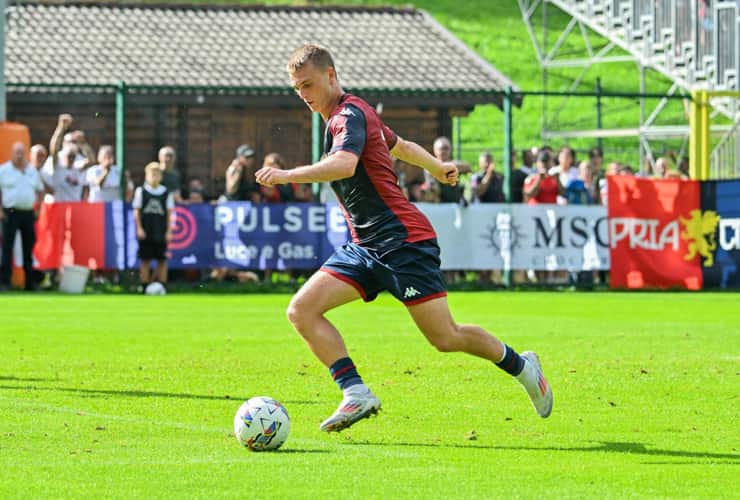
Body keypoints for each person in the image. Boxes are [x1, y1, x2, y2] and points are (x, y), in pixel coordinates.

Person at [255, 44, 553, 433]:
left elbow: (344, 166)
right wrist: (437, 165)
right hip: (365, 246)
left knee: (446, 337)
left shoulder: (349, 115)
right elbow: (400, 146)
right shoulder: (354, 115)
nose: (302, 94)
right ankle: (355, 392)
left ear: (330, 75)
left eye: (307, 84)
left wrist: (286, 175)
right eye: (296, 88)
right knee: (301, 310)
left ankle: (523, 366)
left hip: (402, 242)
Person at [0, 142, 44, 291]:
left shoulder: (32, 171)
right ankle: (5, 282)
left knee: (28, 247)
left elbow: (40, 190)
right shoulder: (4, 170)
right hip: (9, 212)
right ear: (12, 153)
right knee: (7, 247)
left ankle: (29, 283)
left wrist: (38, 208)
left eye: (21, 152)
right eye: (16, 152)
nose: (19, 155)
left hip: (27, 213)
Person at [132, 162, 173, 290]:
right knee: (145, 259)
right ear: (146, 176)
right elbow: (136, 211)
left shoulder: (166, 192)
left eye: (157, 174)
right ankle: (144, 286)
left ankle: (162, 285)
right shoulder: (141, 191)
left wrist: (169, 231)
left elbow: (169, 213)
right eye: (152, 174)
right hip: (146, 229)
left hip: (160, 230)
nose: (154, 176)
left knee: (162, 260)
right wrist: (139, 228)